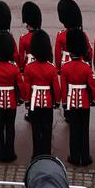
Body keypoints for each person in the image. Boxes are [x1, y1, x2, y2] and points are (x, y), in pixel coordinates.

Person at [57, 29, 95, 167]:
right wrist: (93, 100)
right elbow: (92, 86)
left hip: (71, 101)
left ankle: (74, 156)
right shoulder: (86, 67)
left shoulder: (65, 67)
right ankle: (84, 157)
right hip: (84, 102)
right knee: (84, 130)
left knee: (74, 130)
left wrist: (65, 104)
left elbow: (64, 88)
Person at [21, 30, 60, 158]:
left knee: (36, 130)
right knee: (47, 129)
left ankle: (37, 154)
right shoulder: (51, 67)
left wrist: (27, 101)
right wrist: (57, 101)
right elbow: (56, 88)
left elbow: (27, 87)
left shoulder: (29, 67)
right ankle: (47, 153)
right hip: (48, 102)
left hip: (34, 102)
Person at [0, 30, 22, 163]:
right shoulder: (14, 68)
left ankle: (0, 153)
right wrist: (20, 99)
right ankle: (10, 152)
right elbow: (20, 85)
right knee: (10, 127)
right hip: (11, 101)